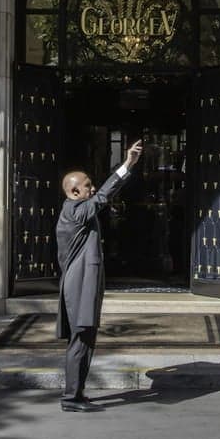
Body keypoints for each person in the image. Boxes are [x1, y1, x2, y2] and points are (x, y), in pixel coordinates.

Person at [55, 137, 145, 412]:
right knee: (80, 341)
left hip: (84, 283)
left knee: (86, 341)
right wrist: (127, 165)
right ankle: (71, 398)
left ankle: (77, 393)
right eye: (87, 187)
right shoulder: (75, 211)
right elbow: (105, 195)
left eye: (91, 185)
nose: (92, 189)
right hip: (80, 285)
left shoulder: (77, 210)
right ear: (73, 192)